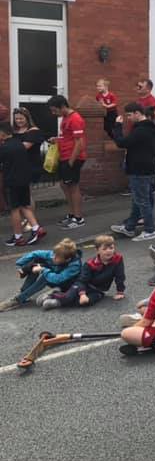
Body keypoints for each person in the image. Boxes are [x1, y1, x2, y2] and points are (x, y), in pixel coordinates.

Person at [108, 103, 155, 241]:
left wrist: (118, 127)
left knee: (142, 200)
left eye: (129, 115)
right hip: (149, 168)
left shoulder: (141, 130)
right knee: (139, 199)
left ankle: (150, 230)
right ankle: (130, 227)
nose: (128, 118)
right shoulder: (152, 128)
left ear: (137, 113)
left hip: (140, 169)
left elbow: (122, 142)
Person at [44, 234, 125, 310]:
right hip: (84, 285)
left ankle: (59, 302)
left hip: (98, 290)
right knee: (69, 297)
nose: (109, 251)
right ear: (97, 250)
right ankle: (54, 294)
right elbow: (81, 281)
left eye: (111, 248)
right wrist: (82, 294)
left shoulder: (117, 259)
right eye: (104, 249)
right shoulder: (90, 264)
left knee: (87, 302)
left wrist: (120, 292)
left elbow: (120, 276)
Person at [0, 237, 82, 312]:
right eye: (54, 254)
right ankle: (23, 293)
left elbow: (57, 279)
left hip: (67, 286)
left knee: (45, 276)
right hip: (56, 277)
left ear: (67, 259)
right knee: (37, 263)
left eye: (57, 257)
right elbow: (36, 253)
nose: (53, 257)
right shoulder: (58, 254)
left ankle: (17, 300)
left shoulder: (75, 266)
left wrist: (43, 270)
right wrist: (20, 264)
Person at [0, 122, 43, 246]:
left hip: (12, 181)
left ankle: (18, 237)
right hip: (24, 179)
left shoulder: (4, 148)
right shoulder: (19, 144)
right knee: (24, 205)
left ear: (2, 134)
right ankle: (36, 228)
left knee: (14, 209)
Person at [47, 95, 86, 229]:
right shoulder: (65, 118)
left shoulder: (75, 118)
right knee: (65, 185)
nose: (53, 113)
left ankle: (78, 218)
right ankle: (72, 214)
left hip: (73, 158)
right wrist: (57, 140)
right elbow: (68, 137)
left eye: (55, 110)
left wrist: (71, 161)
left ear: (63, 106)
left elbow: (79, 142)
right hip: (65, 156)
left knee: (73, 187)